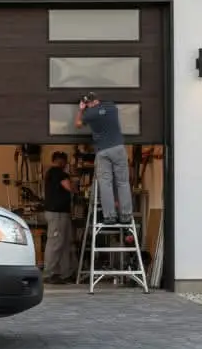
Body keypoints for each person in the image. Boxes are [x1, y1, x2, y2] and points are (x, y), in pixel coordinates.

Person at [75, 92, 135, 243]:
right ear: (98, 99)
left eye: (87, 104)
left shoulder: (89, 114)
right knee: (123, 182)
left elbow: (77, 124)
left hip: (102, 151)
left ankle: (109, 216)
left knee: (105, 183)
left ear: (88, 103)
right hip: (118, 148)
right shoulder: (111, 107)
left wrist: (81, 109)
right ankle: (126, 216)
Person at [42, 151, 74, 284]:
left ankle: (65, 273)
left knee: (64, 244)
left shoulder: (51, 173)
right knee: (55, 243)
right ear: (61, 161)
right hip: (57, 214)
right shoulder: (57, 172)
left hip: (60, 213)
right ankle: (49, 273)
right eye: (65, 162)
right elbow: (68, 187)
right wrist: (76, 187)